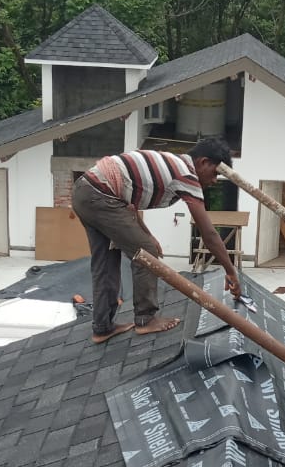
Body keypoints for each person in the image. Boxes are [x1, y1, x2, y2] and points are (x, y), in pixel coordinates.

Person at [72, 137, 242, 344]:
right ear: (204, 162)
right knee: (147, 254)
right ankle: (146, 319)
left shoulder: (171, 162)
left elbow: (128, 204)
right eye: (215, 173)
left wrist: (148, 235)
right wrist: (231, 272)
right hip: (100, 196)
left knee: (106, 264)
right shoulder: (187, 175)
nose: (215, 180)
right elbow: (209, 234)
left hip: (85, 192)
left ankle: (102, 327)